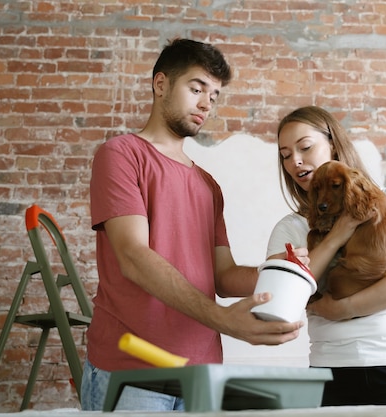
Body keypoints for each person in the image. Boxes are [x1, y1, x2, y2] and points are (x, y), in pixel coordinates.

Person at [81, 38, 303, 411]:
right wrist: (224, 320)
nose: (205, 104)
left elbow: (223, 275)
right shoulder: (121, 155)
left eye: (214, 96)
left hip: (201, 375)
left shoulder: (208, 185)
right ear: (161, 84)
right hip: (133, 372)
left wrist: (279, 271)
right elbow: (133, 256)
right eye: (196, 88)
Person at [267, 106, 386, 406]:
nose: (296, 161)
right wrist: (339, 234)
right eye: (285, 155)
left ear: (334, 144)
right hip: (332, 370)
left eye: (305, 147)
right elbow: (290, 300)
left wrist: (346, 309)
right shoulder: (289, 229)